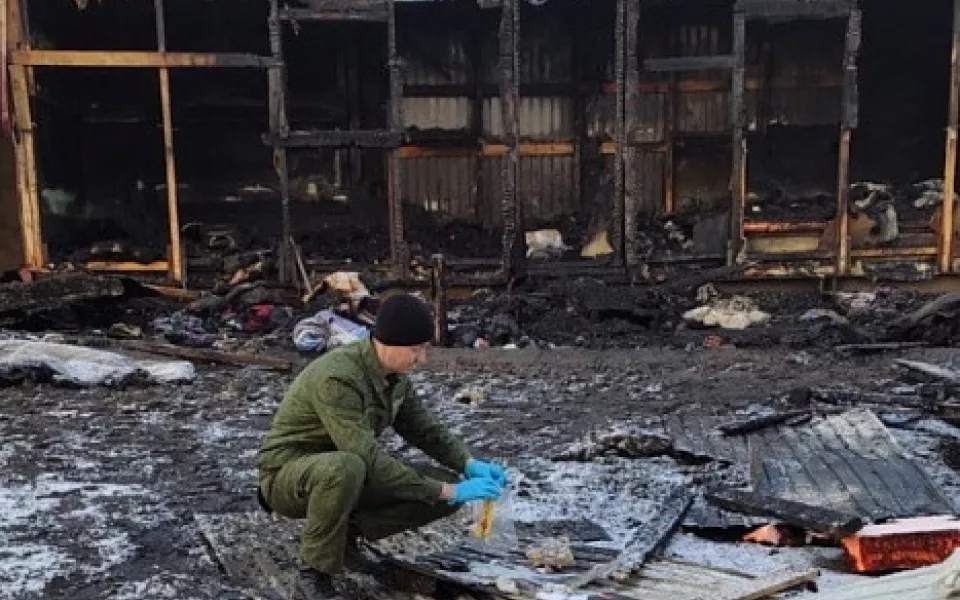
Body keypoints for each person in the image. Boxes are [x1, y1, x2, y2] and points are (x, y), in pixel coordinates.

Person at [257, 294, 507, 599]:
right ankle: (314, 572)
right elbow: (367, 458)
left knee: (442, 486)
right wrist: (445, 491)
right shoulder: (338, 377)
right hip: (288, 476)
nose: (422, 359)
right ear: (387, 343)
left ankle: (345, 540)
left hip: (347, 472)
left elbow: (424, 429)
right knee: (347, 468)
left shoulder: (393, 376)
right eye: (415, 349)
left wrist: (467, 463)